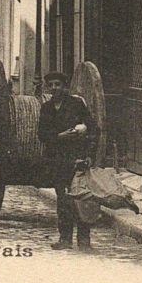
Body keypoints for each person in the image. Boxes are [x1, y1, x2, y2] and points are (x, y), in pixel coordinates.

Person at [37, 71, 98, 252]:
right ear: (48, 88)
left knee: (81, 199)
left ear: (65, 87)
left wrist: (89, 155)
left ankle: (84, 240)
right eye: (51, 85)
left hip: (76, 159)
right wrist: (59, 136)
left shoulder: (76, 105)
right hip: (56, 160)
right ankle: (65, 239)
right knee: (63, 201)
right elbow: (42, 135)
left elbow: (93, 129)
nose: (55, 88)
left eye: (58, 84)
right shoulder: (46, 108)